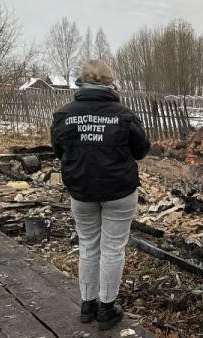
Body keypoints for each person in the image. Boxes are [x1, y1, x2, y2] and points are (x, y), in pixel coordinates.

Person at [50, 60, 150, 331]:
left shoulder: (63, 115)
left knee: (88, 246)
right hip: (119, 192)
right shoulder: (124, 115)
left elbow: (59, 151)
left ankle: (87, 305)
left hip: (81, 192)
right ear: (110, 83)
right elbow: (141, 150)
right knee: (113, 248)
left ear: (81, 83)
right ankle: (107, 309)